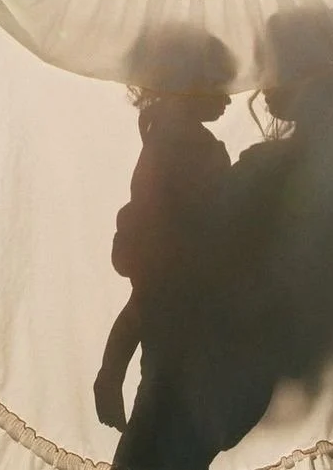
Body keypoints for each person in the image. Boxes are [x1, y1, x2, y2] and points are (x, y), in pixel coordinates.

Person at [176, 8, 333, 461]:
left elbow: (198, 250)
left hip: (215, 366)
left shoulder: (270, 172)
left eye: (273, 63)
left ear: (311, 77)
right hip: (253, 373)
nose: (261, 81)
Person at [94, 25, 237, 470]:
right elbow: (155, 281)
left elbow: (150, 285)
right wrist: (112, 368)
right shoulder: (190, 152)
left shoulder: (167, 147)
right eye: (218, 84)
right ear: (186, 83)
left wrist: (111, 369)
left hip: (180, 351)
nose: (230, 99)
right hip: (186, 351)